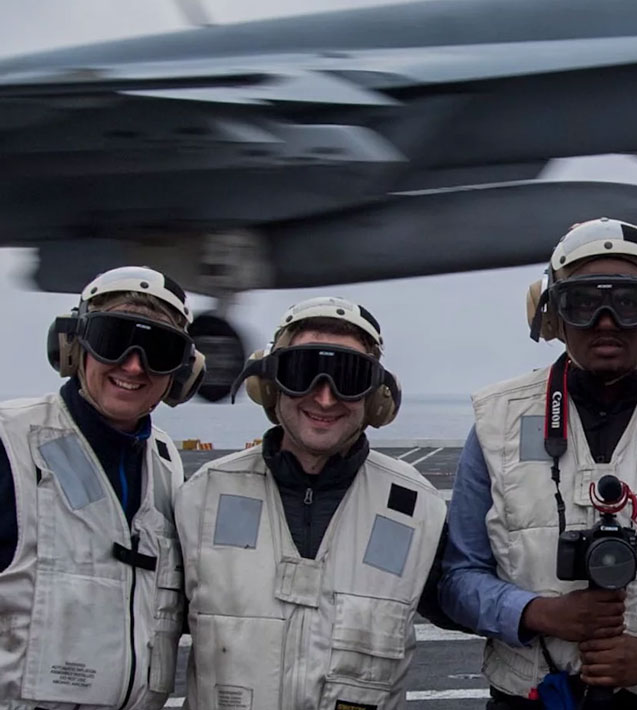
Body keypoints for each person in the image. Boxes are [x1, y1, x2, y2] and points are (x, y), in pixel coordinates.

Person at [440, 217, 637, 709]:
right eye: (584, 303)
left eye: (630, 302)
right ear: (553, 317)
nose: (607, 321)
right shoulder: (497, 422)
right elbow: (458, 576)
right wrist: (539, 614)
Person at [175, 296, 447, 710]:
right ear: (268, 385)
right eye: (302, 373)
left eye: (349, 377)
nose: (324, 398)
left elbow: (474, 598)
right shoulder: (203, 497)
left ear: (377, 399)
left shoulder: (418, 512)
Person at [0, 266, 204, 709]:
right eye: (114, 340)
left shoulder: (167, 467)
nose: (133, 365)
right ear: (74, 348)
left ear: (182, 373)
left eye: (158, 349)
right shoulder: (9, 442)